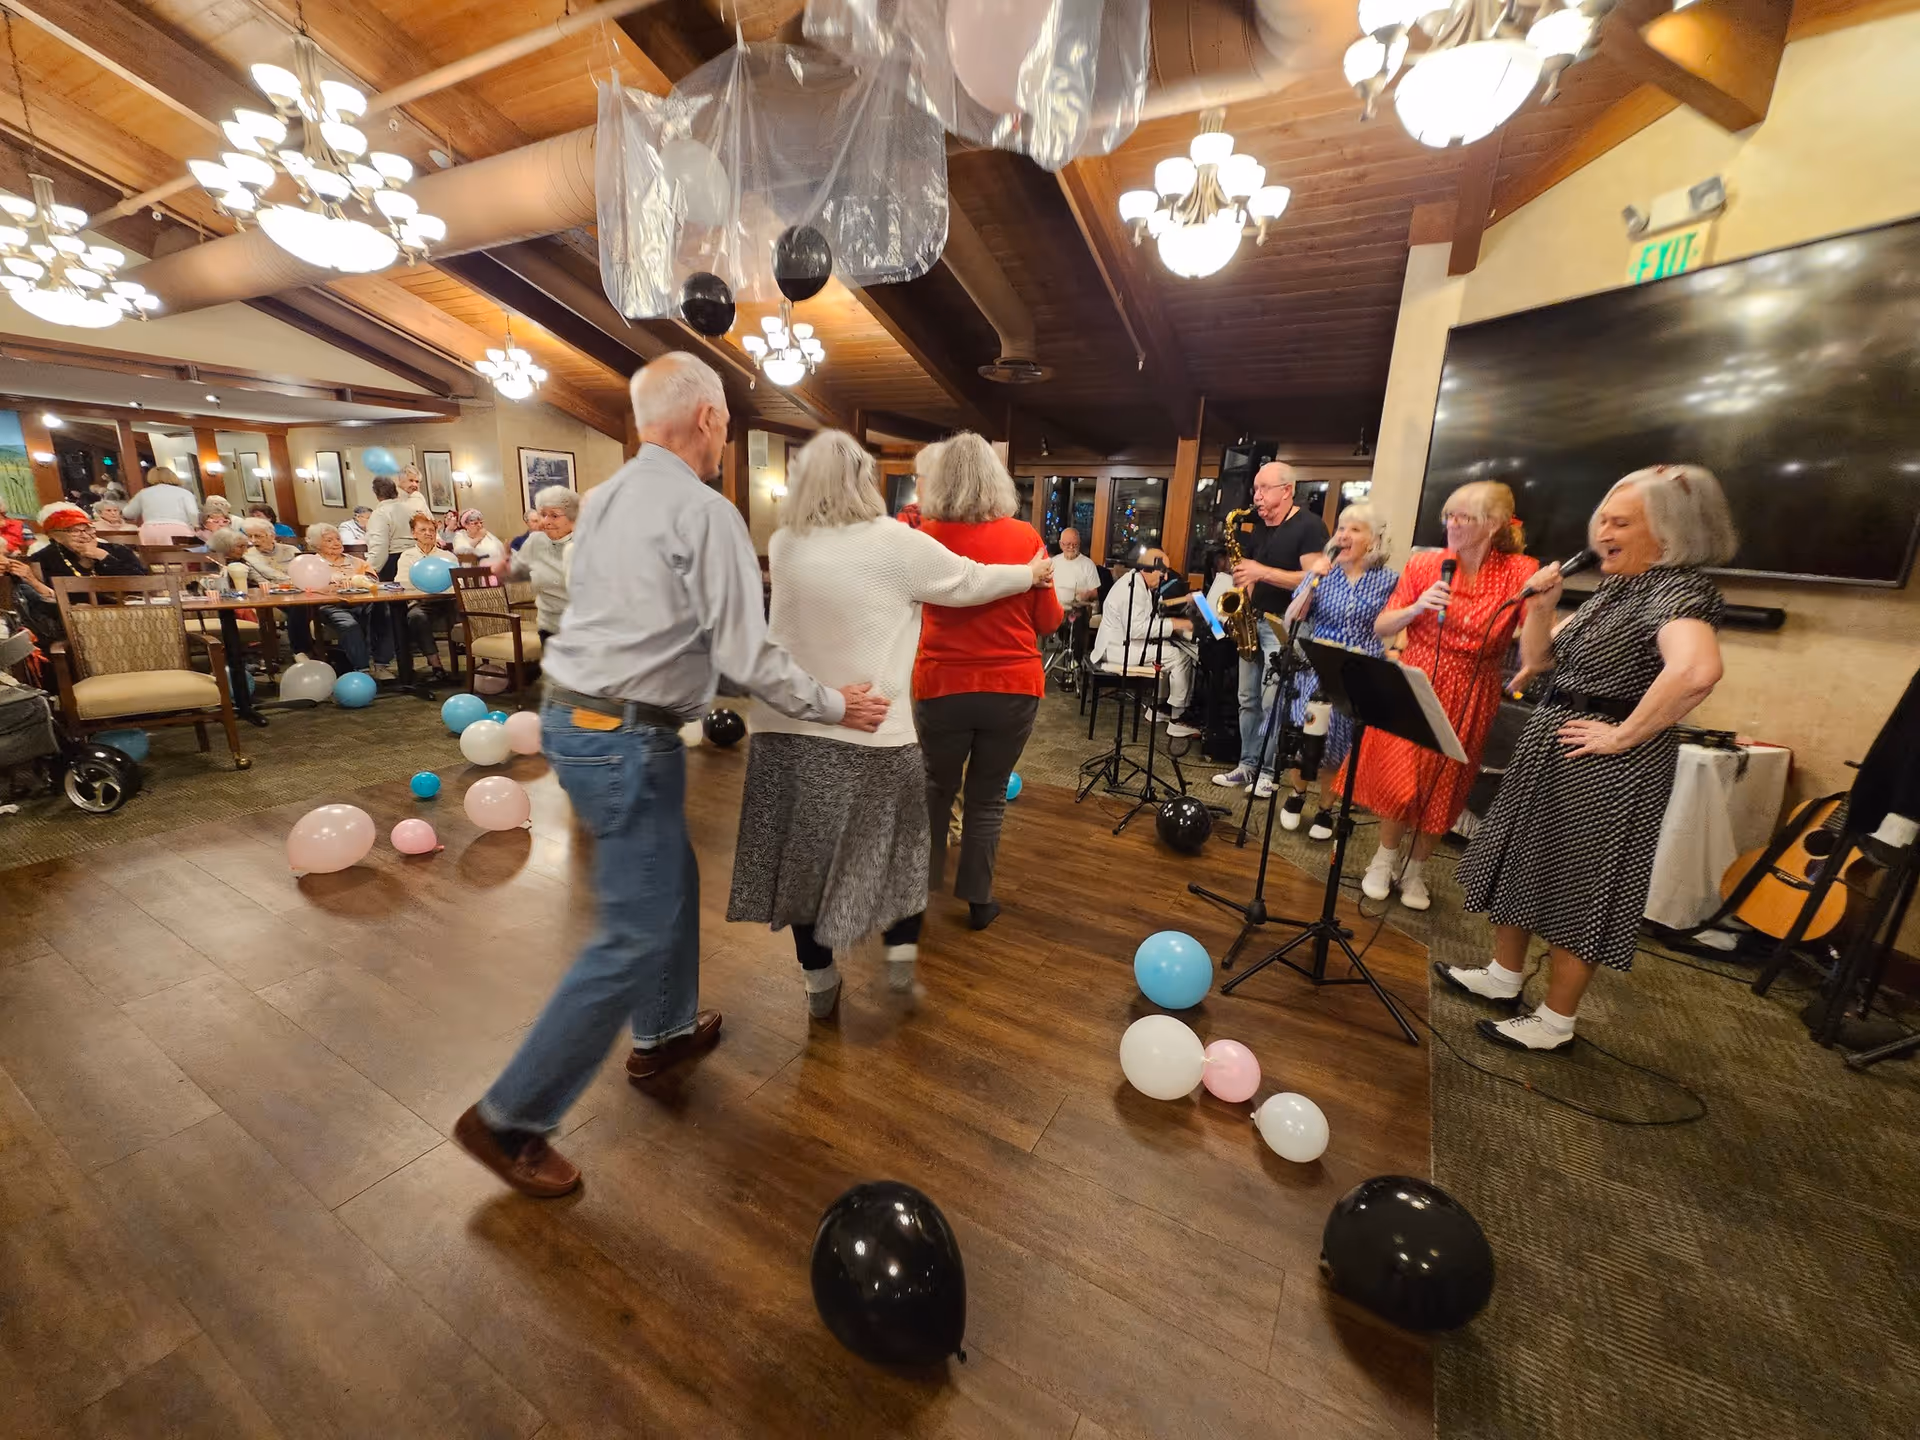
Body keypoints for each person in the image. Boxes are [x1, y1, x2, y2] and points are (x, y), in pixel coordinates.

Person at [453, 353, 888, 1199]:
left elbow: (656, 630)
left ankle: (663, 1032)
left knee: (670, 880)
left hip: (575, 719)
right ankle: (510, 1118)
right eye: (723, 421)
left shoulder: (606, 499)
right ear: (708, 419)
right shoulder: (704, 511)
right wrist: (837, 703)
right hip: (623, 736)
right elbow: (743, 654)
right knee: (633, 930)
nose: (723, 435)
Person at [728, 430, 1047, 1016]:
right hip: (870, 729)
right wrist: (1030, 575)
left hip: (787, 724)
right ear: (863, 483)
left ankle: (819, 982)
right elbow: (971, 581)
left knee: (805, 865)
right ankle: (900, 964)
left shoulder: (785, 542)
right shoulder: (896, 542)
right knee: (903, 849)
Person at [1444, 465, 1735, 1052]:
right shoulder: (1618, 586)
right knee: (1523, 861)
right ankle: (1503, 977)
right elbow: (1540, 662)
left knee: (1578, 887)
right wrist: (1541, 607)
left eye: (1621, 522)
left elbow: (1697, 670)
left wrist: (1623, 735)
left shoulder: (1677, 590)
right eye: (1603, 519)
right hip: (1555, 743)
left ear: (1671, 532)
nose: (1603, 531)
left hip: (1605, 768)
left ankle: (1555, 1021)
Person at [1353, 480, 1538, 912]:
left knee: (1447, 785)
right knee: (1402, 780)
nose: (1452, 524)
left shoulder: (1521, 571)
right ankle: (1383, 860)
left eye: (1464, 517)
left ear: (1494, 524)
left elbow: (1534, 646)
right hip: (1417, 681)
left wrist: (1546, 611)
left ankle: (1415, 870)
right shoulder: (1425, 564)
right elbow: (1382, 626)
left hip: (1472, 688)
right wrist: (1417, 608)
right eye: (1449, 516)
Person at [912, 433, 1064, 933]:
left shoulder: (924, 537)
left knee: (936, 787)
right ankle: (978, 900)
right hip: (1012, 686)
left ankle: (918, 891)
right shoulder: (1025, 538)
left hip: (942, 685)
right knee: (988, 794)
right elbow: (1049, 621)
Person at [1275, 503, 1398, 842]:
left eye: (1355, 529)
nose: (1344, 535)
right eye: (1341, 528)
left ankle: (1326, 809)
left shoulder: (1389, 580)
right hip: (1318, 669)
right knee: (1307, 738)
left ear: (1373, 540)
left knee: (1340, 745)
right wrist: (1313, 580)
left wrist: (1397, 651)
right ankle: (1297, 794)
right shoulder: (1323, 573)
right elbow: (1292, 618)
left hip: (1359, 673)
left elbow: (1399, 623)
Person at [1210, 462, 1331, 798]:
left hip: (1286, 625)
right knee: (1247, 699)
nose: (1257, 496)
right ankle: (1247, 764)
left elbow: (1315, 579)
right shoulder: (1259, 528)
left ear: (1287, 490)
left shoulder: (1309, 526)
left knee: (1271, 702)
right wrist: (1242, 608)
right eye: (1255, 490)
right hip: (1254, 620)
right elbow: (1247, 575)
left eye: (1264, 489)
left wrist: (1261, 572)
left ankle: (1267, 772)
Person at [1089, 546, 1198, 738]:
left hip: (1119, 644)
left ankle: (1159, 708)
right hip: (1118, 650)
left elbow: (1150, 612)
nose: (1166, 577)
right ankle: (1177, 718)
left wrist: (1183, 601)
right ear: (1149, 569)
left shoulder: (1136, 581)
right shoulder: (1132, 589)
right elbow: (1137, 629)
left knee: (1167, 649)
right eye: (1163, 573)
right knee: (1179, 657)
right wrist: (1176, 623)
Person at [494, 485, 575, 642]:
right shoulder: (532, 542)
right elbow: (514, 572)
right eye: (543, 516)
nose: (546, 522)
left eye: (554, 516)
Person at [240, 516, 323, 661]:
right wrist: (285, 584)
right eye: (249, 536)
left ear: (272, 536)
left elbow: (305, 570)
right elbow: (260, 580)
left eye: (258, 536)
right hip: (272, 594)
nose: (253, 540)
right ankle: (300, 650)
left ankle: (316, 647)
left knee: (309, 604)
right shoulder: (248, 556)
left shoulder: (291, 550)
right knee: (298, 606)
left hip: (301, 590)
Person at [303, 522, 377, 672]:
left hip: (361, 603)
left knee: (383, 614)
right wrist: (331, 584)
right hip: (330, 606)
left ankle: (382, 664)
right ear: (317, 545)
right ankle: (363, 669)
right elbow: (305, 587)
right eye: (329, 540)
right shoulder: (311, 565)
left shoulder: (356, 561)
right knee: (349, 625)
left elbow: (374, 581)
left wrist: (360, 581)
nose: (336, 543)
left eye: (337, 538)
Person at [393, 510, 455, 682]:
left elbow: (457, 583)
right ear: (414, 533)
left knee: (469, 612)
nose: (428, 533)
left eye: (431, 530)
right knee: (416, 617)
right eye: (423, 530)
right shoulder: (407, 557)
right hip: (422, 602)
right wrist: (425, 589)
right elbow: (402, 583)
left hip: (448, 600)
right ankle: (437, 666)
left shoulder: (447, 557)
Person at [121, 467, 200, 531]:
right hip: (178, 529)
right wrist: (196, 526)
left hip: (150, 530)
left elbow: (128, 513)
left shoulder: (143, 493)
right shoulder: (185, 493)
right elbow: (193, 513)